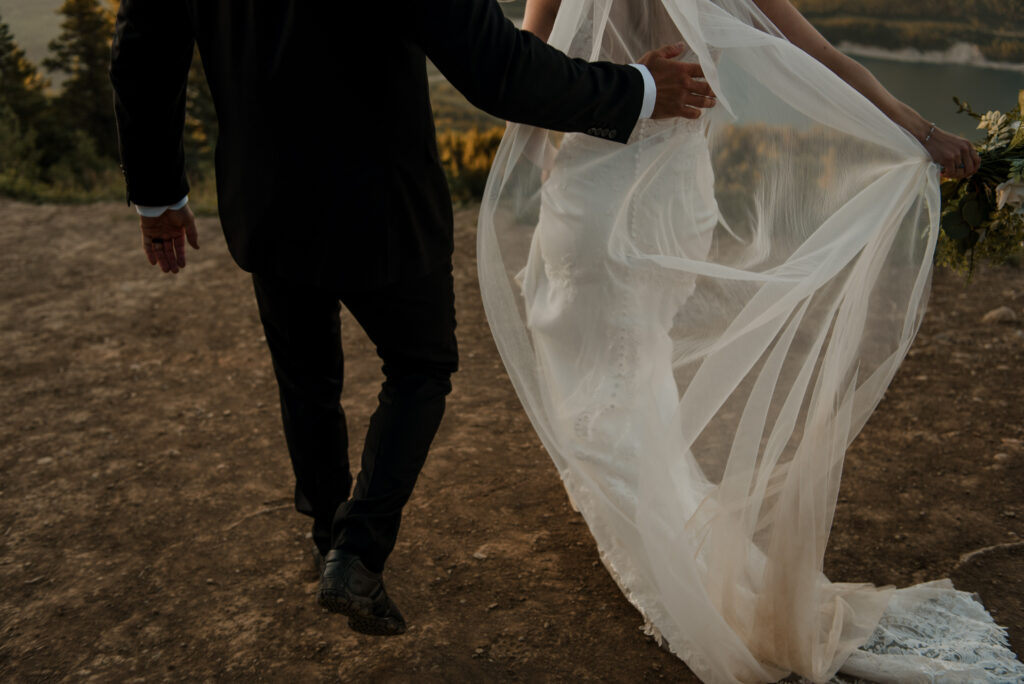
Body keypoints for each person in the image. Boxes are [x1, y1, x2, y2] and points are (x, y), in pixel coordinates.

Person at [109, 0, 722, 638]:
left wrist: (158, 197)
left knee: (305, 374)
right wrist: (639, 89)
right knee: (420, 365)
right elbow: (497, 69)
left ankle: (328, 536)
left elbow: (142, 48)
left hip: (266, 198)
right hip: (383, 203)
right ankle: (356, 552)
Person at [478, 0, 1024, 682]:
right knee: (634, 367)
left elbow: (520, 74)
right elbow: (824, 58)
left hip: (597, 190)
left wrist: (541, 157)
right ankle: (653, 513)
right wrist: (925, 131)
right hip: (676, 192)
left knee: (601, 381)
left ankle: (665, 551)